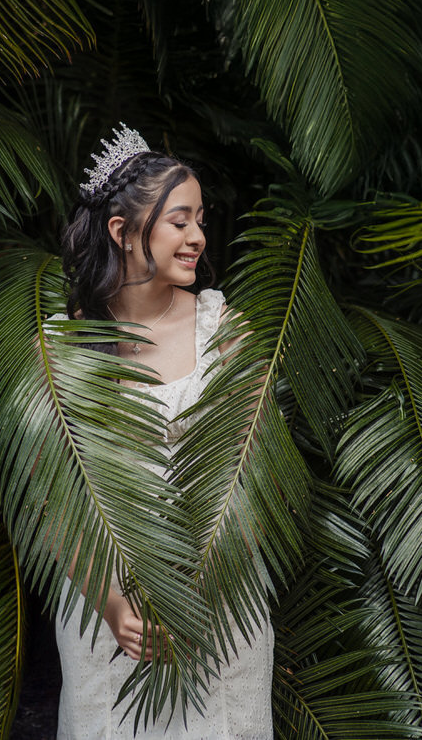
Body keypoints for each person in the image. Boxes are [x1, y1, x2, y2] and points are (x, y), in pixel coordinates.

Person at [51, 124, 274, 739]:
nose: (199, 237)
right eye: (180, 221)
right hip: (108, 609)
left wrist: (202, 583)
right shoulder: (64, 345)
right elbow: (55, 499)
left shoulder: (224, 331)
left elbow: (257, 475)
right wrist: (113, 604)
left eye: (200, 219)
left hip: (219, 604)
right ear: (123, 233)